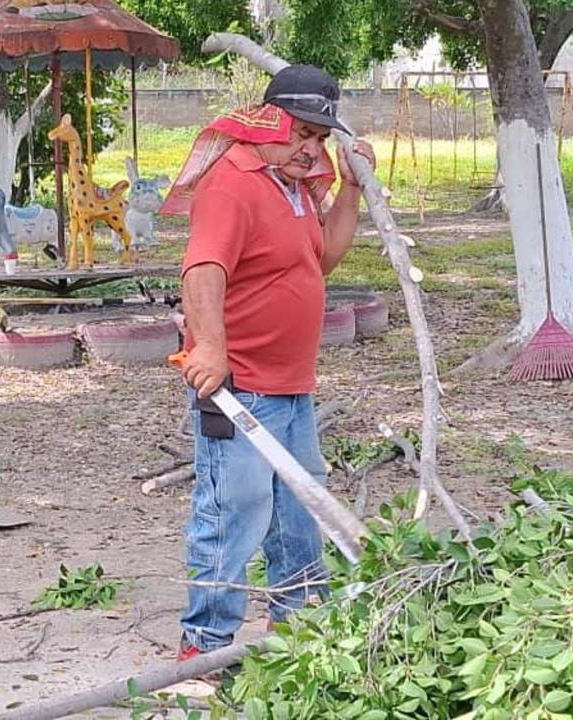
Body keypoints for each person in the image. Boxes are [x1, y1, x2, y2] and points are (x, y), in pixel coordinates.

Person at [159, 63, 376, 659]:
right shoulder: (234, 182)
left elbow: (321, 258)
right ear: (269, 121)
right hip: (240, 385)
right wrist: (209, 348)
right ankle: (203, 648)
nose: (311, 148)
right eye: (301, 133)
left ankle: (299, 626)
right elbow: (203, 268)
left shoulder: (294, 186)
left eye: (320, 138)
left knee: (300, 507)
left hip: (291, 384)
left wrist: (352, 188)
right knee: (234, 510)